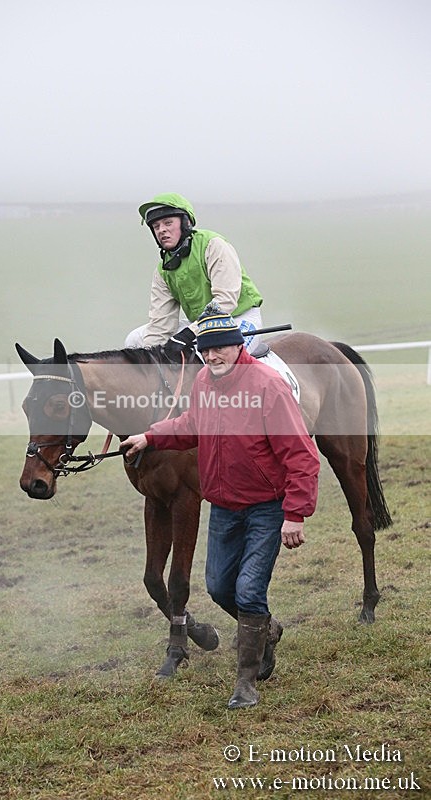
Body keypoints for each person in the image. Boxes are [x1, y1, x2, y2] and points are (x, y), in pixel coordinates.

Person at [122, 304, 320, 709]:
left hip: (267, 507)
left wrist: (295, 513)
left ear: (237, 345)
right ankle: (266, 629)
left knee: (248, 591)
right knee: (218, 587)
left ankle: (245, 684)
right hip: (225, 507)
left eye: (219, 350)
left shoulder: (268, 387)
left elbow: (302, 455)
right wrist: (150, 436)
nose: (211, 358)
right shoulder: (204, 385)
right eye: (205, 352)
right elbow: (190, 425)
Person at [125, 193, 264, 360]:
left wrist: (190, 333)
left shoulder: (213, 245)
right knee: (135, 339)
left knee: (214, 358)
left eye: (168, 223)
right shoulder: (162, 271)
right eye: (156, 226)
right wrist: (150, 358)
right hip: (199, 324)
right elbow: (160, 325)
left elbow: (226, 301)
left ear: (186, 223)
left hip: (237, 318)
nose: (161, 230)